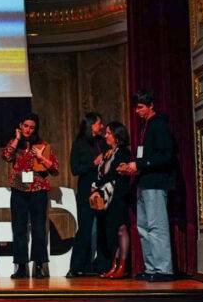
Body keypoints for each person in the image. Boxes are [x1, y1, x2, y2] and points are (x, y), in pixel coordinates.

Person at [117, 90, 175, 281]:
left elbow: (166, 156)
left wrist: (139, 165)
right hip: (143, 182)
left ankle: (163, 269)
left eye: (141, 107)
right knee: (143, 226)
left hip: (156, 183)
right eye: (136, 107)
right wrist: (131, 167)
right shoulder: (146, 127)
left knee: (156, 226)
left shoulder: (159, 125)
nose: (137, 111)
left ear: (151, 106)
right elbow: (144, 156)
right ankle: (151, 268)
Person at [2, 113, 59, 278]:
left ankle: (39, 266)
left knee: (38, 229)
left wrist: (41, 158)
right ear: (21, 126)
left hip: (38, 191)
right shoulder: (16, 144)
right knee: (19, 229)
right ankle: (21, 267)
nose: (28, 129)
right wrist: (16, 138)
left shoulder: (43, 145)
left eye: (32, 127)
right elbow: (6, 156)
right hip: (19, 191)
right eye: (25, 126)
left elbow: (54, 169)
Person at [93, 121, 132, 279]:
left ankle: (123, 265)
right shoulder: (109, 153)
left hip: (118, 195)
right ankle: (114, 265)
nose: (106, 135)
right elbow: (102, 174)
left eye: (109, 133)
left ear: (117, 136)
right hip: (107, 197)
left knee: (121, 229)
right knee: (113, 232)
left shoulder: (123, 152)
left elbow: (118, 174)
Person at [67, 112, 104, 277]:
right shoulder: (79, 144)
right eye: (99, 124)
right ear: (91, 125)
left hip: (101, 190)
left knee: (101, 227)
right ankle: (76, 267)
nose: (101, 127)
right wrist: (93, 163)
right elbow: (75, 169)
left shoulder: (102, 142)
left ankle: (96, 265)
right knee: (85, 227)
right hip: (85, 191)